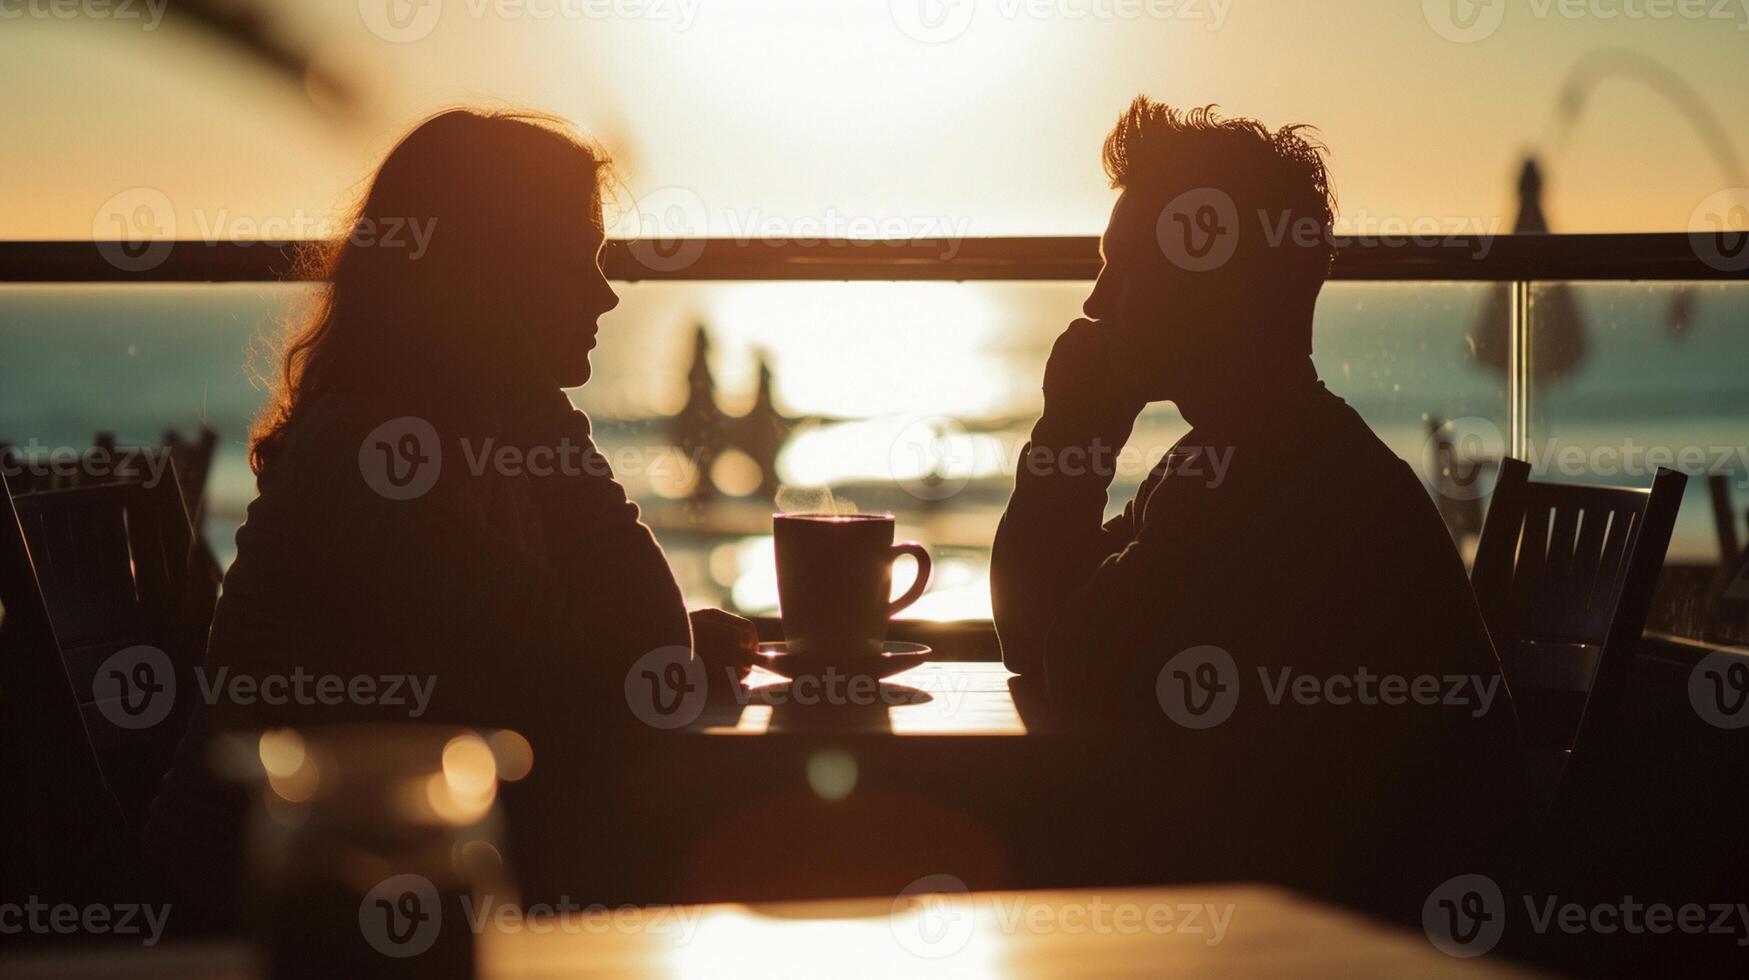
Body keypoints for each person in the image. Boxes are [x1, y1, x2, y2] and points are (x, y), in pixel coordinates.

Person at [143, 109, 754, 918]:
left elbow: (568, 648)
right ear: (487, 278)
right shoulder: (376, 461)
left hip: (347, 886)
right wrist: (537, 401)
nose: (606, 294)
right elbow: (637, 658)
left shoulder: (440, 439)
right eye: (576, 262)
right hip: (252, 914)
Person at [990, 98, 1519, 899]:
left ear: (1211, 289)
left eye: (1126, 265)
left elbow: (1065, 658)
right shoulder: (1241, 458)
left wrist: (1074, 429)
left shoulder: (1276, 484)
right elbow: (1040, 636)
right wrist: (1077, 434)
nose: (1097, 301)